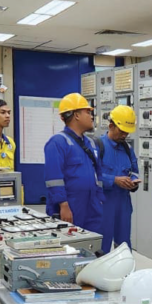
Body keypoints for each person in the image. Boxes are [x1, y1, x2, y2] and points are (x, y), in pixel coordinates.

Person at [43, 93, 104, 231]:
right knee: (70, 242)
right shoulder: (57, 142)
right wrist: (63, 205)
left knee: (92, 242)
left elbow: (98, 174)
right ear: (76, 115)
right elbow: (53, 178)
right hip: (70, 206)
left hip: (92, 206)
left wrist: (99, 198)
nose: (91, 116)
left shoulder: (91, 143)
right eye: (88, 112)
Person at [99, 105, 140, 252]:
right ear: (111, 126)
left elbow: (134, 171)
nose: (124, 135)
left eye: (127, 132)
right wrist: (114, 180)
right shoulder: (98, 146)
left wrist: (133, 182)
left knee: (123, 246)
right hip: (103, 203)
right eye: (121, 131)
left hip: (123, 204)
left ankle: (123, 266)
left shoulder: (128, 149)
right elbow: (91, 176)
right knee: (101, 246)